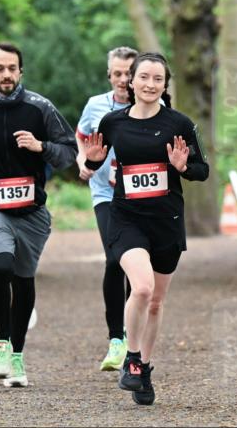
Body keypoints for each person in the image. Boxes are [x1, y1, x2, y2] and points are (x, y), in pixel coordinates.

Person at [82, 52, 209, 405]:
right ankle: (132, 358)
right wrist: (92, 162)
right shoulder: (112, 122)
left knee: (155, 302)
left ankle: (145, 368)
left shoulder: (179, 124)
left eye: (158, 79)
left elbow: (203, 170)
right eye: (144, 78)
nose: (151, 84)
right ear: (130, 81)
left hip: (166, 221)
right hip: (126, 218)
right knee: (140, 288)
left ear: (165, 84)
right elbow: (93, 162)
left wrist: (183, 167)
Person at [0, 42, 76, 387]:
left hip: (32, 213)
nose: (6, 75)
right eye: (0, 68)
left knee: (23, 281)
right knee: (2, 266)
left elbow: (68, 152)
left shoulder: (41, 108)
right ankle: (1, 344)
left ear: (21, 71)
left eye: (12, 68)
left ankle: (18, 357)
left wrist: (41, 147)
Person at [75, 46, 137, 372]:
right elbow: (82, 136)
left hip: (141, 197)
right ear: (109, 75)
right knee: (116, 258)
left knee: (137, 266)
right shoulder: (95, 105)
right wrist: (82, 162)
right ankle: (117, 339)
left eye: (129, 73)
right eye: (117, 74)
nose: (123, 80)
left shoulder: (156, 105)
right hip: (105, 193)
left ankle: (133, 337)